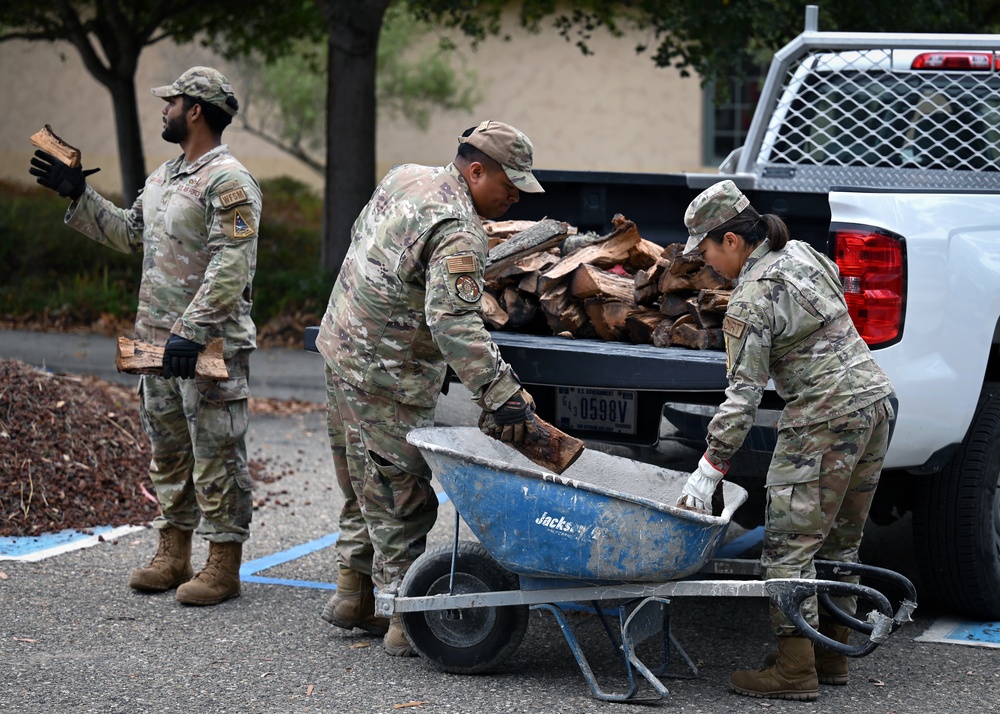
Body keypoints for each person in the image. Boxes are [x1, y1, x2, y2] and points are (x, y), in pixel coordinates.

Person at [29, 67, 262, 607]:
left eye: (171, 102)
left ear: (196, 110)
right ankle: (172, 553)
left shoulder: (228, 181)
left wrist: (192, 330)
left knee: (217, 453)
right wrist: (80, 195)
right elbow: (130, 233)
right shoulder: (164, 177)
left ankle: (223, 566)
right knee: (169, 452)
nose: (163, 110)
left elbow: (232, 265)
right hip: (155, 344)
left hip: (206, 345)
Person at [315, 120, 543, 656]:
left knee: (360, 479)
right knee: (400, 496)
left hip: (341, 344)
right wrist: (500, 391)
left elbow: (359, 240)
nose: (514, 197)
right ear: (476, 169)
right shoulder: (461, 227)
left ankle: (355, 595)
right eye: (509, 186)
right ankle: (403, 619)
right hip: (388, 372)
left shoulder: (405, 177)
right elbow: (454, 323)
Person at [676, 180, 895, 701]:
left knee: (787, 550)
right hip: (877, 404)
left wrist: (707, 473)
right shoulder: (802, 254)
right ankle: (830, 657)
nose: (705, 263)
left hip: (823, 419)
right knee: (840, 540)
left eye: (706, 250)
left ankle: (795, 673)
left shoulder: (750, 299)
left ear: (732, 240)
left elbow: (742, 400)